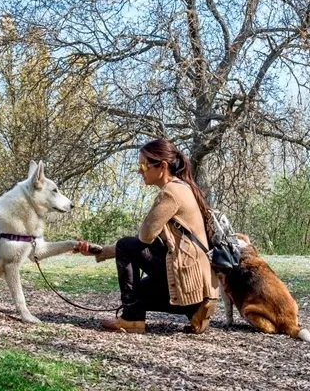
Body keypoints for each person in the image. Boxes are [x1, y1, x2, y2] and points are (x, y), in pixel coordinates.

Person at [74, 139, 218, 334]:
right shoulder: (183, 188)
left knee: (126, 245)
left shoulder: (170, 193)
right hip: (200, 285)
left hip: (188, 275)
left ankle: (132, 318)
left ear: (163, 166)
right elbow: (148, 243)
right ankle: (195, 311)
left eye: (144, 165)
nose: (139, 171)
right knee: (138, 290)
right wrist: (98, 251)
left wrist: (140, 231)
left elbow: (144, 237)